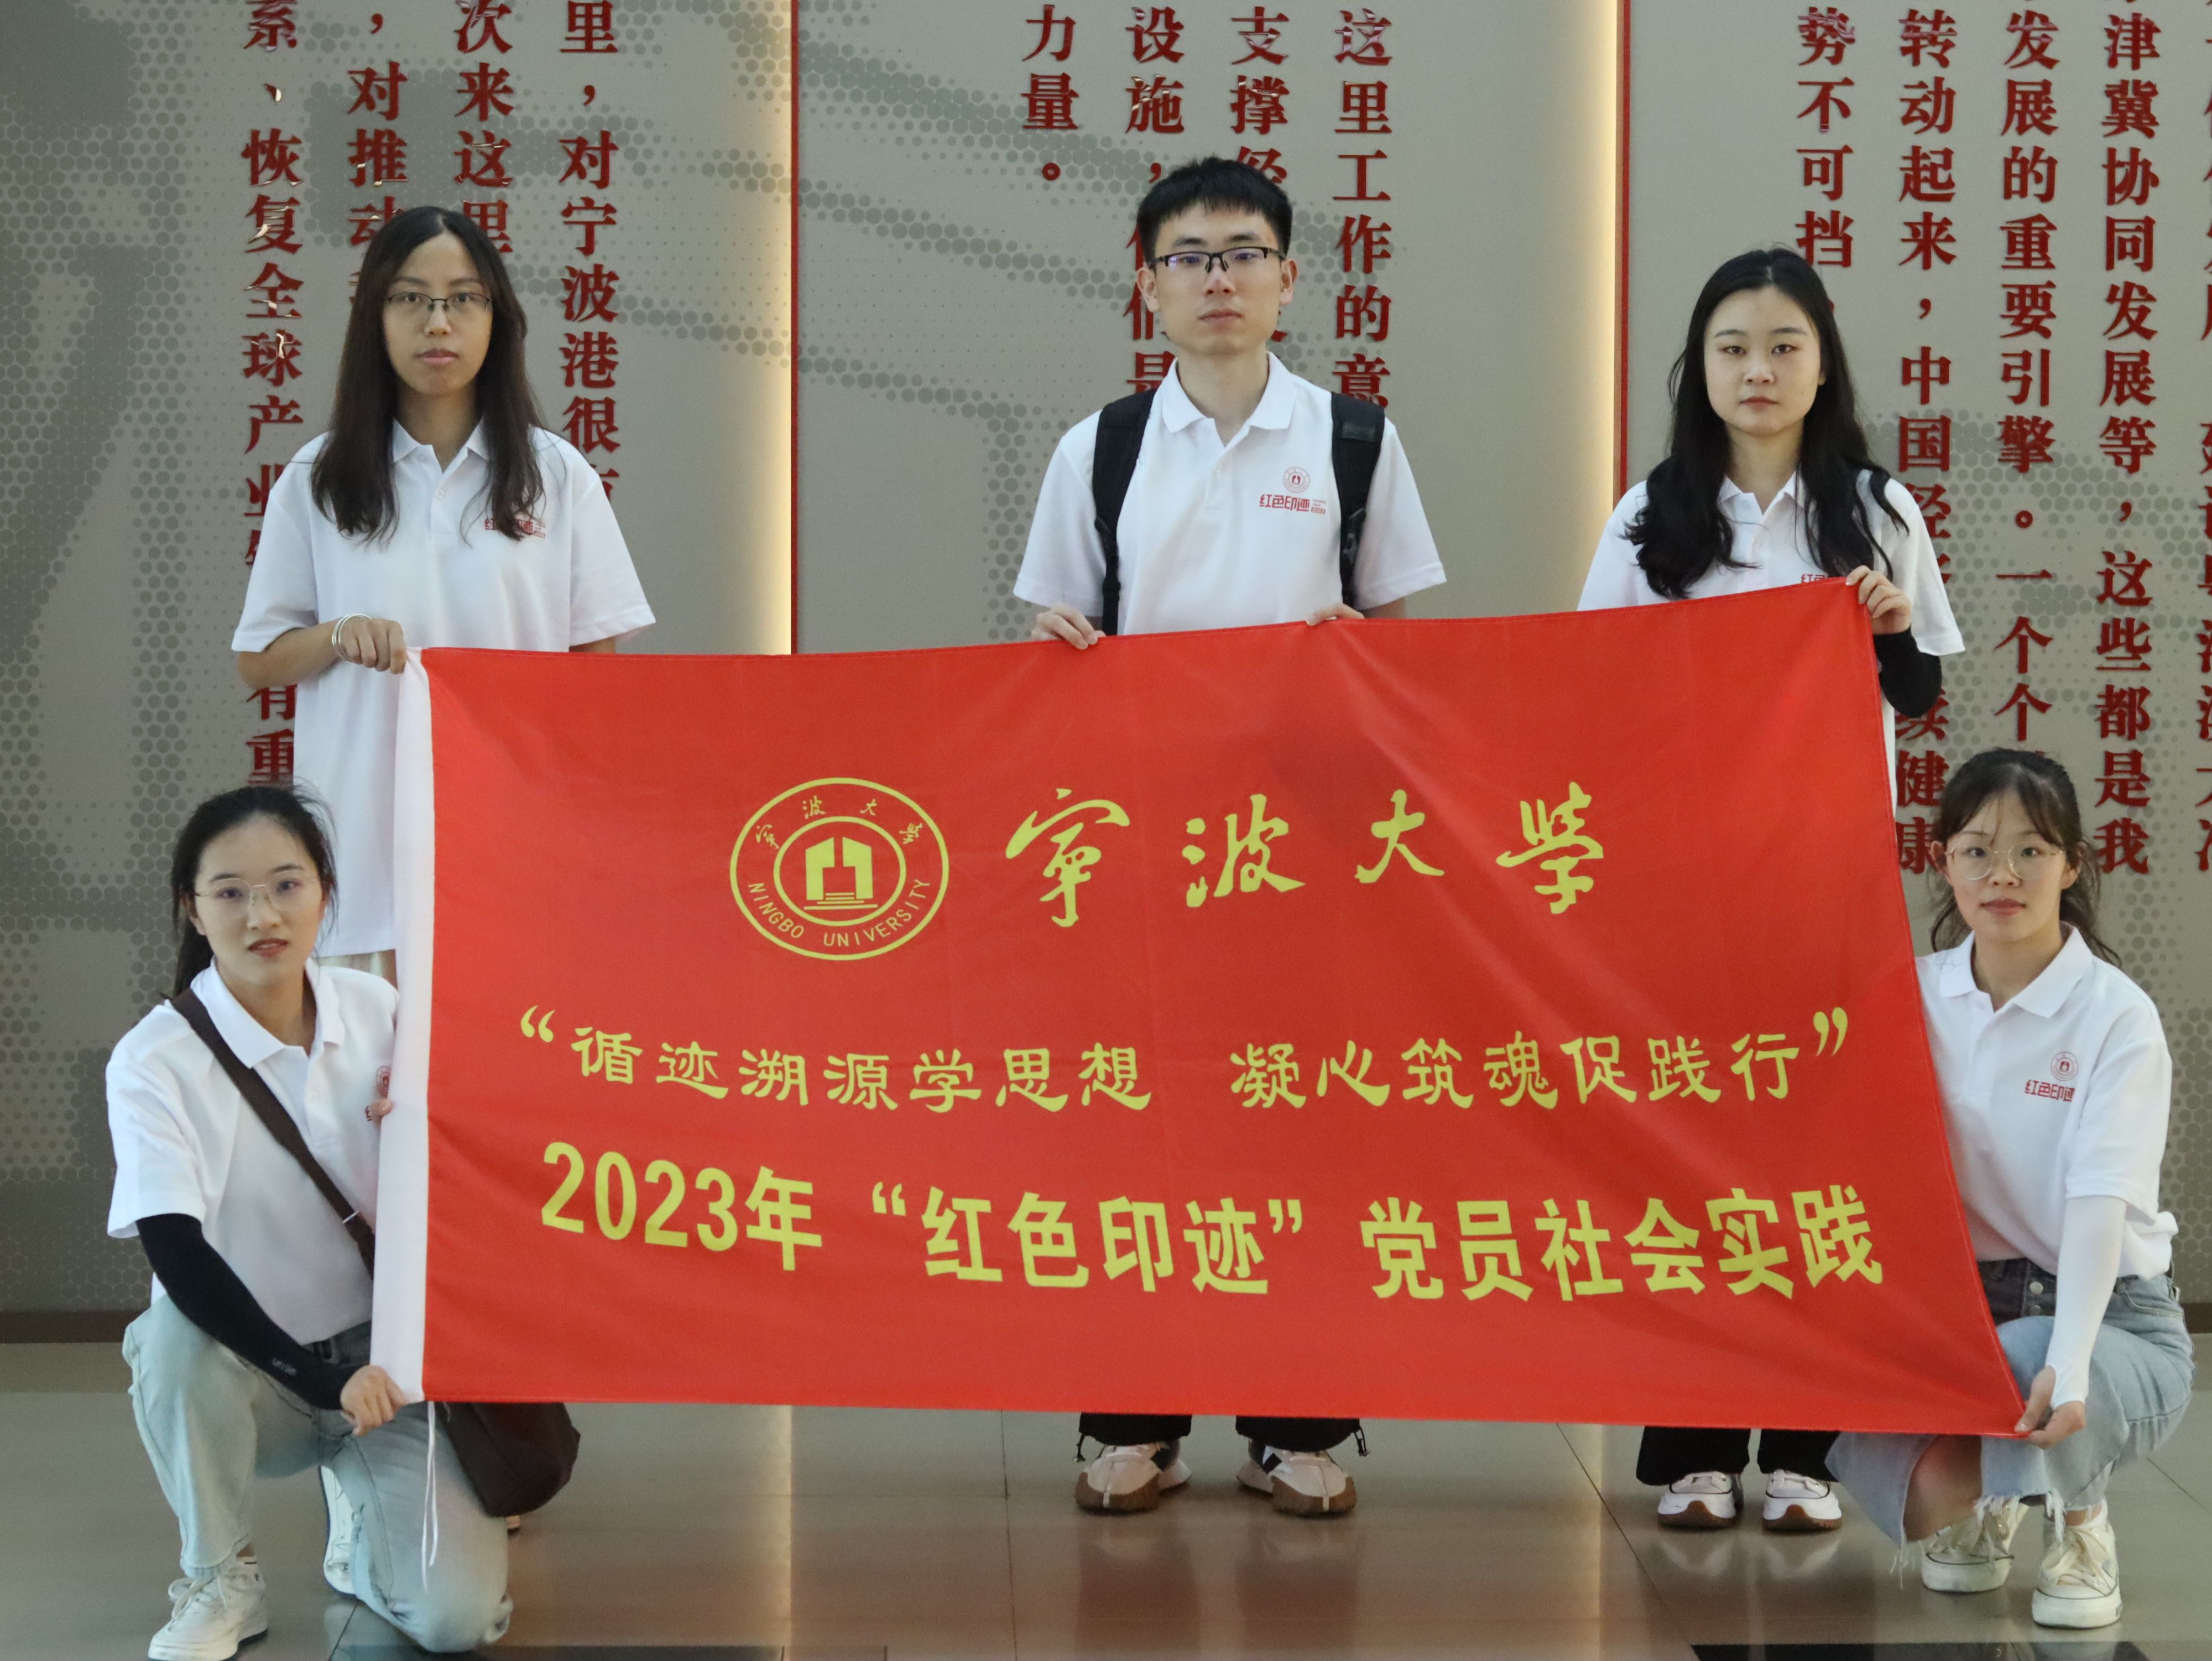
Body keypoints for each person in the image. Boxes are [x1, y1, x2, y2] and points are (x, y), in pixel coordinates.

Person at [1014, 155, 1446, 1516]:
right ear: (1146, 283)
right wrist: (1063, 646)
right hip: (1142, 841)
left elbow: (1399, 650)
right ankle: (1129, 1418)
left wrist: (1355, 650)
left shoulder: (1352, 439)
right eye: (1190, 257)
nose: (1218, 279)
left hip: (1303, 848)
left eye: (1242, 253)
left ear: (1287, 278)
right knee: (1133, 1121)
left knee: (1296, 1119)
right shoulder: (1100, 448)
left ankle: (1295, 1419)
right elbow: (1054, 635)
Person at [1579, 246, 1964, 1533]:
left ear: (1820, 362)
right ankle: (1693, 1444)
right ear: (1698, 367)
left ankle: (1804, 1444)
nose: (1757, 369)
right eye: (1732, 346)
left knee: (1815, 1159)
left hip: (1821, 882)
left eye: (1783, 345)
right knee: (1689, 1157)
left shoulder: (1872, 506)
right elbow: (1592, 688)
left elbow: (1916, 692)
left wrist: (1884, 626)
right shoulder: (1649, 514)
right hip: (1681, 887)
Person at [108, 786, 510, 1658]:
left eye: (287, 885)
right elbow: (175, 1250)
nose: (263, 916)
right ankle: (219, 1576)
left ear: (325, 892)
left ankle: (360, 1534)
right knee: (171, 1339)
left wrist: (437, 1132)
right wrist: (316, 1379)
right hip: (254, 1369)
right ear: (193, 909)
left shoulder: (381, 1012)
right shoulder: (154, 1060)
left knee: (457, 1622)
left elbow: (474, 1173)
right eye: (231, 893)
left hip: (385, 1371)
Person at [233, 204, 654, 982]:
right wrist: (338, 635)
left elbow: (597, 673)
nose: (438, 322)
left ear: (498, 317)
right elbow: (259, 659)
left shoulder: (556, 475)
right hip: (363, 850)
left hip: (517, 840)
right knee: (367, 1054)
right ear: (374, 316)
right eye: (410, 298)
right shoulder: (319, 477)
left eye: (464, 298)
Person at [1828, 750, 2191, 1629]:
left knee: (2034, 1365)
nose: (2004, 874)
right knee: (1905, 1486)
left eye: (2033, 850)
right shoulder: (1911, 996)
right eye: (1978, 850)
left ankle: (2081, 1522)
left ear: (2071, 867)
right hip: (1961, 1312)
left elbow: (2097, 1204)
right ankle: (1998, 1491)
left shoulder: (2117, 1016)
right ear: (1943, 861)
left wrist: (2072, 1361)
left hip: (2113, 1313)